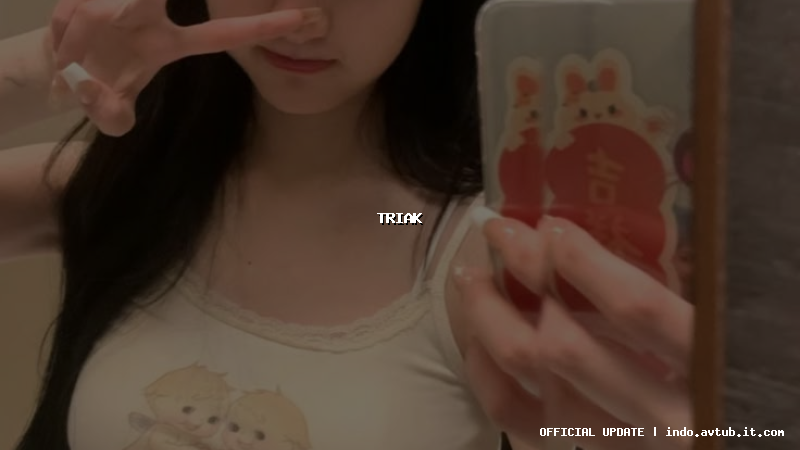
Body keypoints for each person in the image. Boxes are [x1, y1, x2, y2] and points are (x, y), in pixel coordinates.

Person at [0, 0, 694, 449]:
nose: (303, 17)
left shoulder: (463, 247)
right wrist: (50, 63)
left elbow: (404, 215)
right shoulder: (130, 186)